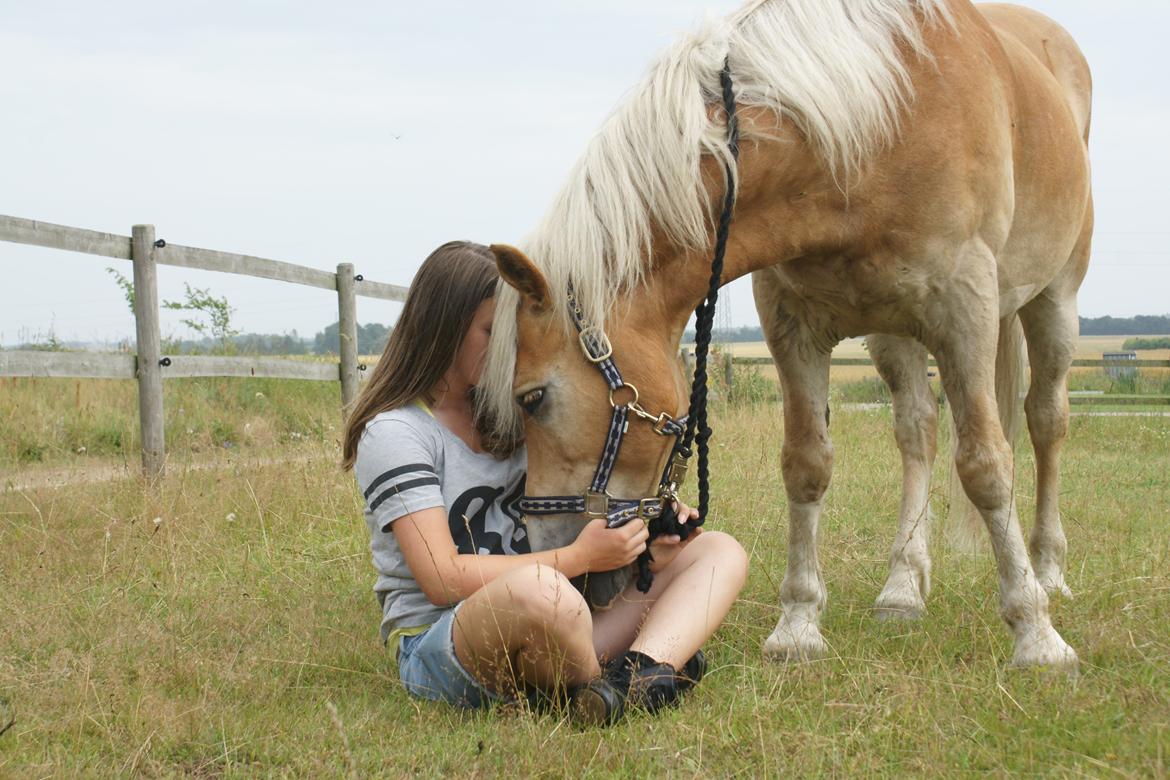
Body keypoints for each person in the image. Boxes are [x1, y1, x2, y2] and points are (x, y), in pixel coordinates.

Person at [341, 240, 748, 726]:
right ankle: (637, 670)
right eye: (491, 331)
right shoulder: (397, 432)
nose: (507, 350)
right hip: (447, 639)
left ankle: (633, 680)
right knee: (540, 594)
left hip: (558, 622)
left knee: (718, 552)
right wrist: (578, 559)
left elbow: (567, 513)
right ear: (442, 327)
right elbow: (440, 578)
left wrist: (644, 542)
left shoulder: (513, 414)